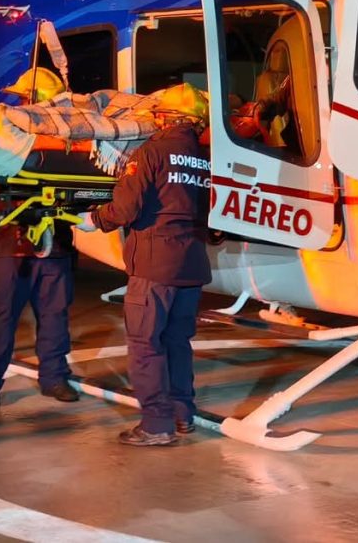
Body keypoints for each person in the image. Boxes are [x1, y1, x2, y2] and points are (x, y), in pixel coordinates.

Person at [76, 83, 211, 447]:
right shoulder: (205, 158)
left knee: (145, 344)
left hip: (154, 266)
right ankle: (183, 414)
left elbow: (125, 208)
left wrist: (94, 220)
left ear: (166, 117)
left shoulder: (151, 152)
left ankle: (156, 424)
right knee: (178, 342)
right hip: (192, 263)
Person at [0, 66, 79, 407]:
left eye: (24, 97)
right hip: (12, 242)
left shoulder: (66, 140)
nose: (18, 102)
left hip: (55, 243)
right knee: (3, 314)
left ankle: (55, 378)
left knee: (54, 316)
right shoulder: (5, 139)